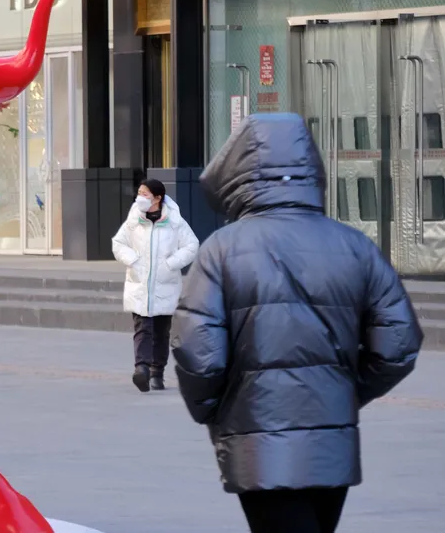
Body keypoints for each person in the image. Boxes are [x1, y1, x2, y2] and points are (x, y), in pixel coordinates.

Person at [172, 113, 422, 533]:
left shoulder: (220, 251)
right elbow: (398, 342)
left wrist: (216, 411)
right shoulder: (354, 245)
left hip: (257, 437)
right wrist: (345, 392)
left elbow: (198, 353)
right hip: (331, 439)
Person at [111, 178, 198, 392]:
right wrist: (132, 260)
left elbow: (191, 245)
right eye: (139, 193)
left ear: (158, 198)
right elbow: (118, 243)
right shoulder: (134, 220)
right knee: (142, 327)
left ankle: (157, 372)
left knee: (161, 332)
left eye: (145, 194)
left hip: (165, 285)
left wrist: (171, 264)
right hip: (139, 284)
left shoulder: (174, 222)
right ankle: (141, 369)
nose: (140, 197)